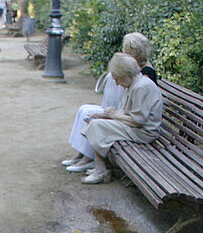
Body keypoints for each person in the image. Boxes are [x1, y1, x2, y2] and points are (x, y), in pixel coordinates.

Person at [65, 32, 158, 172]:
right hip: (124, 114)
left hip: (137, 126)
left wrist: (111, 115)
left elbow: (139, 118)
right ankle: (84, 154)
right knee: (86, 112)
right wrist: (108, 114)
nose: (117, 82)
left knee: (96, 123)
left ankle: (92, 161)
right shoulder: (133, 76)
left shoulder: (140, 79)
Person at [79, 52, 163, 183]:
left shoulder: (141, 87)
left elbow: (138, 121)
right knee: (96, 122)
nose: (117, 83)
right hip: (135, 128)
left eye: (118, 79)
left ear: (127, 75)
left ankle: (101, 170)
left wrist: (112, 115)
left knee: (97, 126)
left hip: (144, 132)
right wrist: (104, 115)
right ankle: (100, 167)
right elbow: (125, 113)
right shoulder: (134, 84)